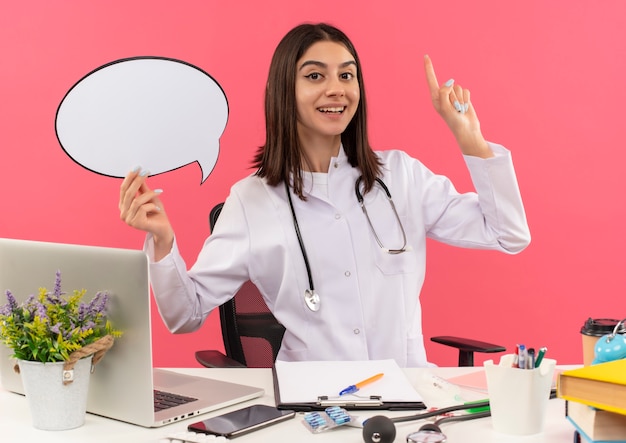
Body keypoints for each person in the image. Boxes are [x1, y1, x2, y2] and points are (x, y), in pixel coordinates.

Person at [119, 23, 530, 367]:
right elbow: (184, 315)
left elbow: (508, 234)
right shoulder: (252, 201)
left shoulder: (402, 177)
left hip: (407, 398)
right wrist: (162, 241)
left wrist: (471, 140)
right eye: (315, 76)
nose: (337, 89)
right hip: (310, 406)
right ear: (285, 90)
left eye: (347, 75)